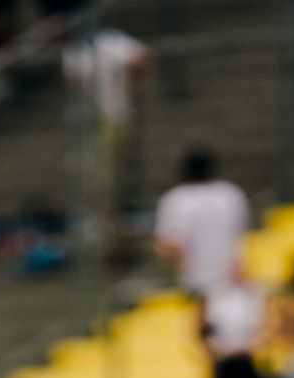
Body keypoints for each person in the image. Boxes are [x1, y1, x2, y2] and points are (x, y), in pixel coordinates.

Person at [61, 24, 151, 260]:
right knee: (90, 178)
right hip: (89, 122)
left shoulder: (112, 41)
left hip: (111, 118)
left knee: (106, 180)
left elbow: (142, 58)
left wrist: (130, 91)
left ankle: (111, 240)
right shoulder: (74, 51)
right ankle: (105, 236)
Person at [153, 147, 250, 298]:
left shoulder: (177, 199)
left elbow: (172, 247)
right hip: (232, 282)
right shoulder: (230, 194)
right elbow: (242, 235)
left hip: (196, 285)